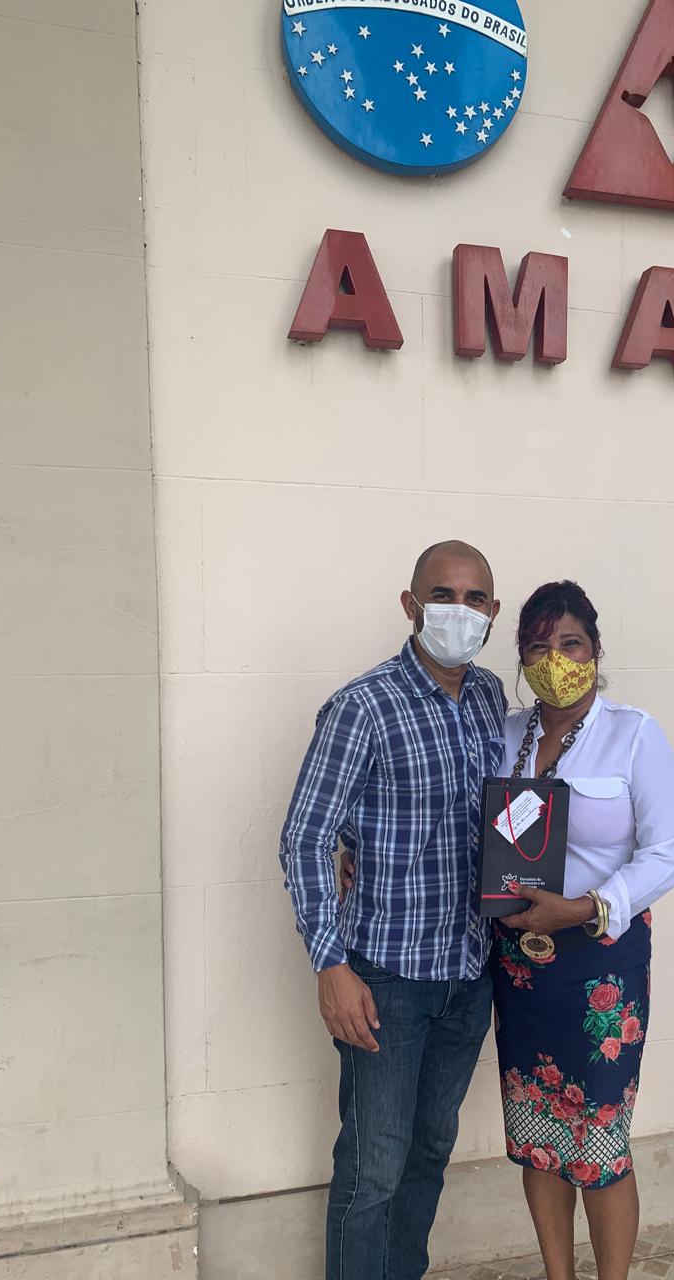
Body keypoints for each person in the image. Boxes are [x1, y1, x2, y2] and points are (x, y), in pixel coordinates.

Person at [278, 541, 506, 1280]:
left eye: (475, 599)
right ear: (410, 605)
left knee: (429, 1154)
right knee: (372, 1168)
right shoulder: (364, 706)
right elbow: (305, 837)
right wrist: (330, 965)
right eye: (442, 595)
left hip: (467, 974)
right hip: (386, 982)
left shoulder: (489, 698)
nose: (459, 611)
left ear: (492, 613)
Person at [493, 580, 674, 1280]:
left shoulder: (634, 734)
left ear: (595, 650)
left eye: (570, 644)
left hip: (602, 963)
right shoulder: (505, 734)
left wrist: (582, 908)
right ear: (522, 657)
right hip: (520, 965)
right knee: (539, 1133)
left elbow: (666, 855)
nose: (555, 660)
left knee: (599, 1141)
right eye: (538, 647)